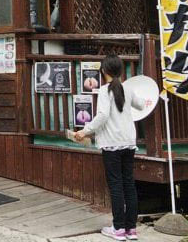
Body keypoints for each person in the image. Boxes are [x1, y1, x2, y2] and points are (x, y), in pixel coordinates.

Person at [74, 54, 145, 241]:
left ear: (104, 71)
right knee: (129, 183)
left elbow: (103, 116)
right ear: (120, 71)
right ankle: (131, 229)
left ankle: (118, 228)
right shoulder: (127, 89)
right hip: (129, 142)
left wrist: (85, 131)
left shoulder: (105, 91)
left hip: (112, 143)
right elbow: (141, 104)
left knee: (115, 185)